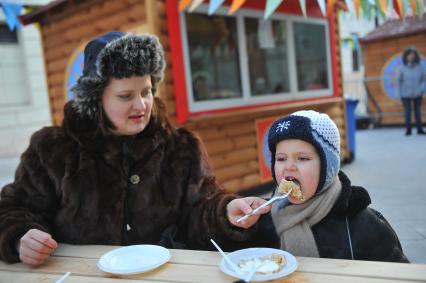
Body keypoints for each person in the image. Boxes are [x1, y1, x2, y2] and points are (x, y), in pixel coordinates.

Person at [0, 32, 272, 266]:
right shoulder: (52, 151)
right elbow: (13, 209)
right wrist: (20, 236)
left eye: (146, 91)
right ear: (96, 99)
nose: (141, 105)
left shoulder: (181, 148)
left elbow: (201, 209)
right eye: (125, 96)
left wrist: (226, 212)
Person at [267, 110, 408, 262]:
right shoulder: (263, 218)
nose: (289, 167)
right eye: (281, 158)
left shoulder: (364, 227)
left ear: (328, 167)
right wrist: (240, 230)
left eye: (302, 158)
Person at [397, 47, 426, 136]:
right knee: (407, 111)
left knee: (417, 111)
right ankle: (408, 129)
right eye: (409, 55)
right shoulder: (402, 68)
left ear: (415, 56)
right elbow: (399, 81)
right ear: (405, 57)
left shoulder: (420, 67)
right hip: (405, 94)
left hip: (418, 93)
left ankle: (419, 129)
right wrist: (400, 93)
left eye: (412, 55)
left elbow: (424, 79)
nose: (411, 57)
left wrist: (421, 89)